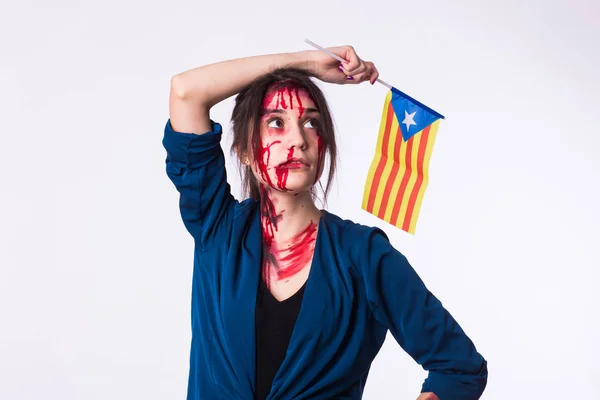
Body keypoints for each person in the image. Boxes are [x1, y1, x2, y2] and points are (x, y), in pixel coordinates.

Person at [163, 45, 488, 400]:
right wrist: (305, 64)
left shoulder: (363, 255)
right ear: (242, 148)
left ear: (324, 146)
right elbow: (186, 92)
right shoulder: (218, 228)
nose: (298, 140)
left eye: (311, 123)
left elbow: (459, 368)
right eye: (276, 122)